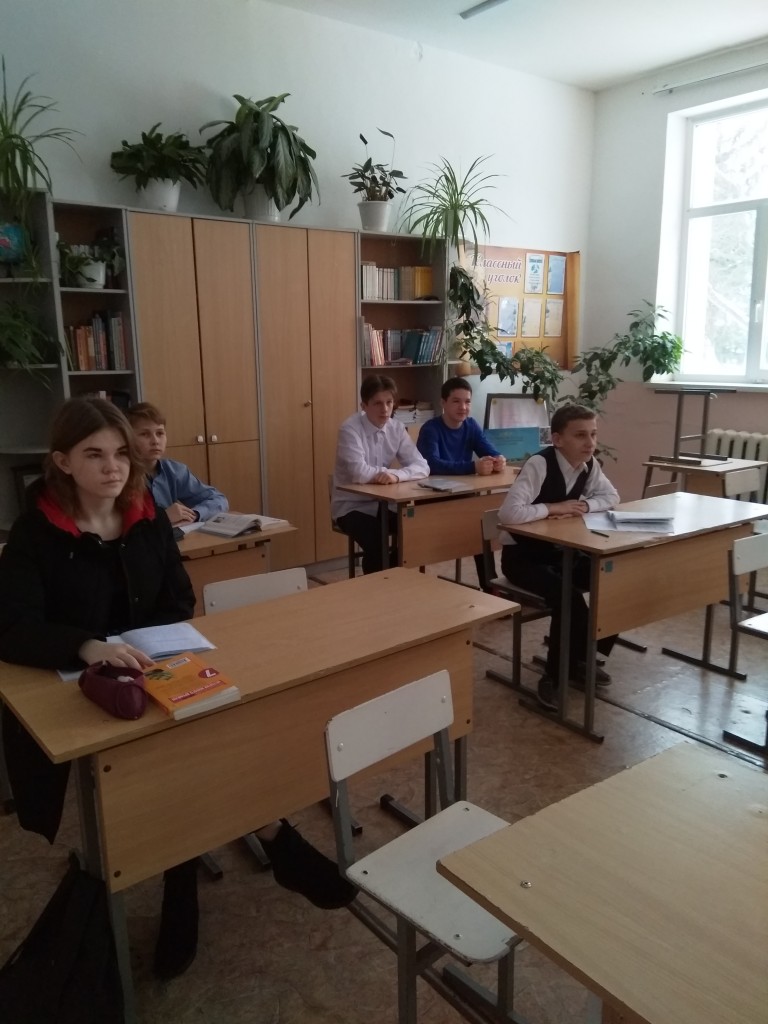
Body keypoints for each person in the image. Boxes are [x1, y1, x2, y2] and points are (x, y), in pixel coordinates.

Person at [0, 397, 354, 983]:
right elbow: (12, 627)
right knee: (176, 756)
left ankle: (186, 883)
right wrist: (88, 646)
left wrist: (155, 649)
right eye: (94, 455)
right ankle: (266, 837)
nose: (113, 467)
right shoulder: (36, 531)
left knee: (209, 733)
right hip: (77, 686)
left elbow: (178, 598)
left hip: (157, 665)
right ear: (62, 461)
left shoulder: (145, 516)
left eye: (121, 453)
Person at [497, 403, 620, 711]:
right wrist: (554, 508)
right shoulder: (539, 465)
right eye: (580, 435)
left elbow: (611, 497)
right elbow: (509, 514)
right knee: (569, 598)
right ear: (557, 439)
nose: (590, 443)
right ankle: (554, 676)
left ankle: (581, 658)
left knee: (614, 580)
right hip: (523, 558)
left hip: (561, 553)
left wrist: (584, 506)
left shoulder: (589, 465)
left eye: (593, 434)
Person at [331, 375, 429, 573]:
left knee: (417, 530)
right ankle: (378, 585)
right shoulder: (350, 429)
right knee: (377, 541)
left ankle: (392, 575)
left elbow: (422, 466)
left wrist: (396, 476)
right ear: (364, 406)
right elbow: (359, 472)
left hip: (385, 504)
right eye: (377, 403)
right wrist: (388, 474)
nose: (385, 409)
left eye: (389, 402)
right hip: (352, 506)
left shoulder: (397, 428)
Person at [417, 376, 506, 589]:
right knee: (473, 524)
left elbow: (488, 450)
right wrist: (472, 467)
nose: (463, 407)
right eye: (456, 401)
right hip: (433, 497)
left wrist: (498, 459)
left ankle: (491, 586)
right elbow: (431, 465)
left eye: (467, 402)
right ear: (443, 403)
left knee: (481, 528)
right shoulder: (431, 429)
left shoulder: (471, 425)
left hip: (463, 494)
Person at [127, 402, 228, 525]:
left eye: (160, 433)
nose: (155, 441)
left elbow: (218, 500)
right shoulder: (122, 476)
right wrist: (164, 517)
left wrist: (194, 514)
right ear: (128, 439)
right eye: (144, 434)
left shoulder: (174, 470)